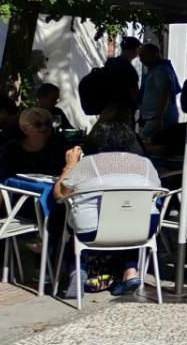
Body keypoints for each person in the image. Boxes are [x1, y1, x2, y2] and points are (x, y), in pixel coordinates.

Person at [51, 122, 166, 297]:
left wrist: (70, 165)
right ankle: (130, 273)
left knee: (72, 225)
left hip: (93, 232)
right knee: (126, 220)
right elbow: (156, 192)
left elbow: (59, 195)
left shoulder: (88, 164)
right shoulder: (145, 164)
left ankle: (77, 270)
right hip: (142, 231)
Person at [0, 107, 67, 177]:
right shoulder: (11, 149)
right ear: (25, 128)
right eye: (38, 124)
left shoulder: (58, 147)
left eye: (48, 124)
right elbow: (3, 176)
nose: (44, 127)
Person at [135, 43, 181, 136]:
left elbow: (164, 94)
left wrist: (158, 118)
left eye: (143, 56)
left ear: (153, 54)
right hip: (155, 118)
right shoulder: (160, 68)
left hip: (157, 119)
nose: (141, 60)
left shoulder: (160, 70)